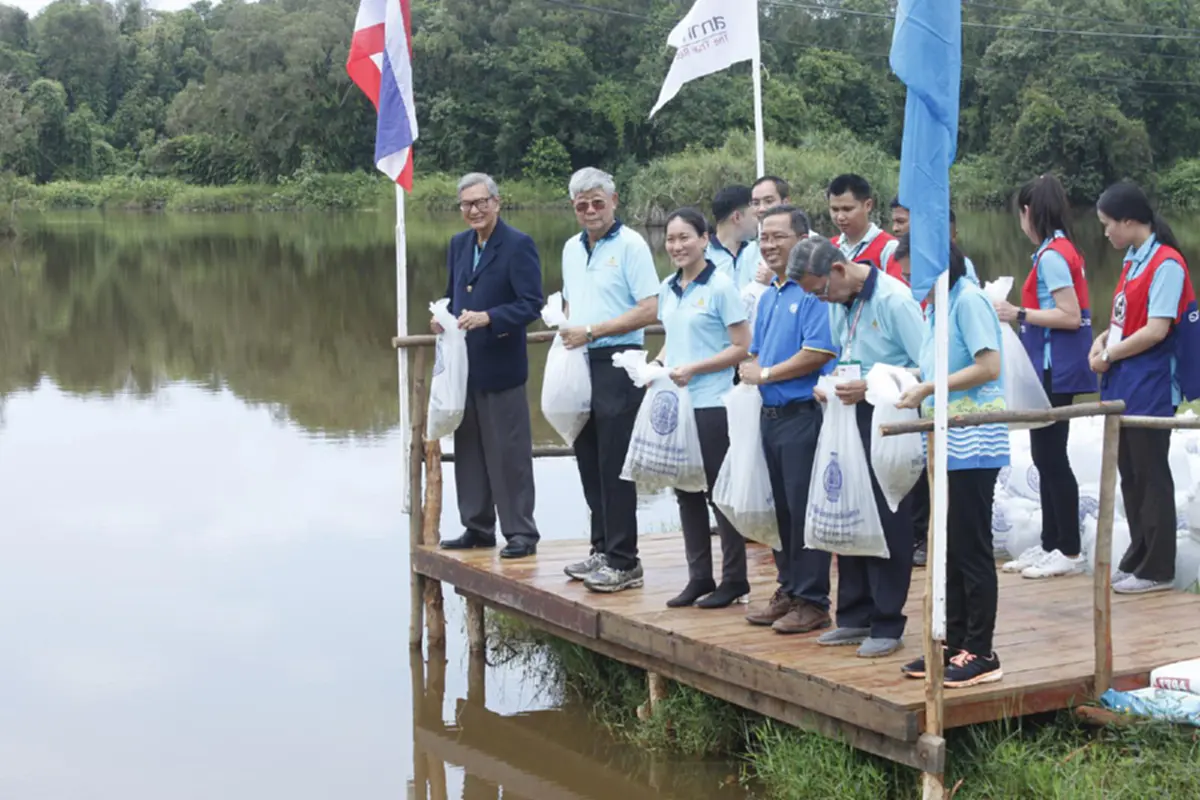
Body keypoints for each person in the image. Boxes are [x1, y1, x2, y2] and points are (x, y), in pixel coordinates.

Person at [789, 236, 925, 658]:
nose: (820, 299)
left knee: (888, 516)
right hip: (849, 414)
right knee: (847, 509)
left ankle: (888, 621)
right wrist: (828, 387)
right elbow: (842, 355)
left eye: (820, 290)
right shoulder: (838, 302)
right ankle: (854, 615)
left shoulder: (893, 299)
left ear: (839, 270)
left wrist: (871, 385)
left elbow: (926, 367)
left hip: (889, 415)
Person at [895, 235, 1009, 688]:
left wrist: (928, 388)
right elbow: (935, 365)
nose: (908, 284)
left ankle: (982, 650)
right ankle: (953, 642)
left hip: (974, 438)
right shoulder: (934, 307)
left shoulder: (969, 300)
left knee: (971, 544)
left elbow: (988, 366)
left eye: (912, 275)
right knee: (948, 546)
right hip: (944, 440)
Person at [1091, 181, 1200, 594]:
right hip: (1124, 379)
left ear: (1130, 221)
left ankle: (1158, 569)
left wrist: (1112, 353)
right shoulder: (1134, 260)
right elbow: (1125, 320)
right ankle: (1138, 556)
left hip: (1152, 384)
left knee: (1151, 473)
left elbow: (1156, 330)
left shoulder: (1167, 264)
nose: (1106, 233)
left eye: (1108, 225)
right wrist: (1102, 342)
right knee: (1131, 474)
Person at [558, 167, 661, 594]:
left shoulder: (632, 244)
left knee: (616, 461)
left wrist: (595, 330)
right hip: (579, 358)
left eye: (598, 203)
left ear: (614, 201)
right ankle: (601, 547)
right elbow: (569, 301)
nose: (591, 211)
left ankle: (625, 560)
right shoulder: (569, 248)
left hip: (618, 359)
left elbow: (650, 308)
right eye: (582, 205)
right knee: (588, 456)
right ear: (574, 208)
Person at [737, 206, 838, 634]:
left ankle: (813, 600)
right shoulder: (769, 296)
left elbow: (818, 353)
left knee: (802, 510)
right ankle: (789, 588)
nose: (769, 244)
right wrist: (755, 373)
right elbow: (757, 351)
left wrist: (768, 374)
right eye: (764, 237)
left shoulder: (813, 293)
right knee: (778, 509)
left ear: (800, 239)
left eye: (778, 236)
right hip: (769, 415)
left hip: (801, 415)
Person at [436, 173, 544, 559]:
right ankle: (477, 527)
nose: (475, 210)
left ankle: (521, 533)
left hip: (502, 366)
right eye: (467, 204)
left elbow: (532, 304)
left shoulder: (518, 245)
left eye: (482, 202)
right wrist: (442, 317)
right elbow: (453, 295)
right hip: (465, 368)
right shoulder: (458, 244)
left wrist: (490, 317)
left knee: (509, 453)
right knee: (469, 452)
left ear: (497, 202)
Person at [994, 174, 1093, 579]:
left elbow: (1070, 317)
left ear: (1028, 212)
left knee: (1052, 457)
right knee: (1044, 454)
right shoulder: (1055, 251)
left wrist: (1016, 313)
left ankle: (1068, 550)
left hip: (1056, 368)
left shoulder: (1053, 255)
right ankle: (1051, 542)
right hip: (1048, 368)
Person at [654, 207, 752, 608]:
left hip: (713, 401)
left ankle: (734, 579)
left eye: (685, 238)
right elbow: (672, 342)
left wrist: (696, 368)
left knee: (719, 492)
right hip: (678, 403)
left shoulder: (721, 287)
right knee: (685, 490)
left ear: (704, 239)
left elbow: (742, 347)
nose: (677, 246)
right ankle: (699, 576)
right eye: (671, 239)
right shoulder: (667, 287)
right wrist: (654, 367)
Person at [828, 174, 901, 281]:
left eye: (847, 209)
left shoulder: (889, 248)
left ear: (868, 205)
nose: (840, 217)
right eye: (834, 209)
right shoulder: (829, 247)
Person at [706, 185, 761, 289]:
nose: (758, 222)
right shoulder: (703, 256)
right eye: (754, 216)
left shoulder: (759, 251)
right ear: (737, 217)